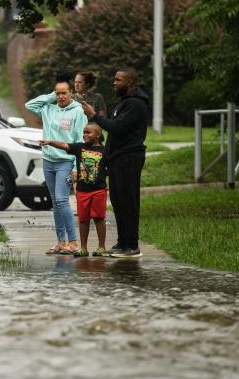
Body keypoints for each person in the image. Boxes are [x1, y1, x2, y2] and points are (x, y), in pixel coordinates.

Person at [80, 69, 150, 258]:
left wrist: (95, 116)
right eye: (114, 78)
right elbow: (113, 134)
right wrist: (107, 158)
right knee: (118, 202)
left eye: (118, 80)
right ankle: (122, 242)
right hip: (118, 158)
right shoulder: (123, 103)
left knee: (129, 201)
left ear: (130, 82)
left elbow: (117, 128)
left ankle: (132, 245)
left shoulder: (136, 104)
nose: (114, 82)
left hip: (130, 158)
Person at [26, 74, 88, 255]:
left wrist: (77, 167)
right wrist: (51, 97)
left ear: (71, 93)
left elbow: (79, 142)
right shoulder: (48, 108)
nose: (61, 97)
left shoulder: (77, 111)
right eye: (58, 93)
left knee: (62, 200)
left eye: (64, 93)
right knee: (55, 202)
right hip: (48, 161)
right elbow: (29, 105)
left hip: (66, 162)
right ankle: (61, 242)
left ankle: (73, 242)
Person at [40, 121, 109, 256]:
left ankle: (102, 247)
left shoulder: (105, 151)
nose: (84, 135)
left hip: (99, 190)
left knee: (99, 218)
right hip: (83, 191)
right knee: (83, 219)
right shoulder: (80, 148)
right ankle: (83, 248)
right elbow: (65, 145)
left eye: (88, 132)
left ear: (98, 135)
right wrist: (50, 142)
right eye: (84, 132)